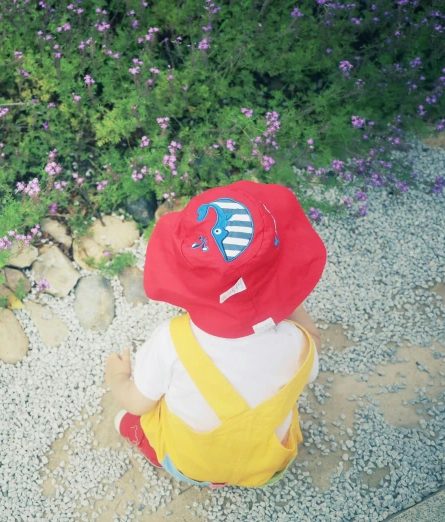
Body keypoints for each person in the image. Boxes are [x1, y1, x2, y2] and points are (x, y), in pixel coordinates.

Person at [104, 180, 327, 488]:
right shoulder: (295, 342)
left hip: (191, 464)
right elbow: (313, 345)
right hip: (267, 464)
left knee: (135, 416)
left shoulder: (171, 341)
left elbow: (137, 403)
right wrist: (281, 297)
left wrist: (118, 377)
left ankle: (153, 447)